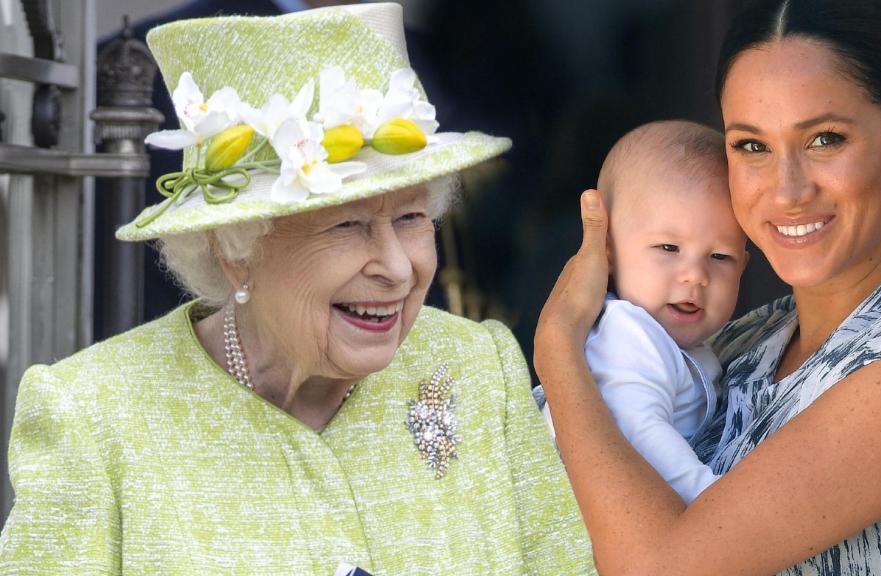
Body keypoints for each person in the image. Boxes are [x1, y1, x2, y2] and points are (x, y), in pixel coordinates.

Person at [0, 5, 594, 575]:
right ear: (235, 251)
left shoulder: (476, 367)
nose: (397, 266)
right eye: (347, 225)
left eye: (412, 218)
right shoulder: (93, 417)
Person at [534, 0, 881, 574]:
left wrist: (558, 345)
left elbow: (660, 567)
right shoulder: (748, 337)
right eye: (751, 146)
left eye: (825, 139)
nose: (787, 191)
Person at [544, 120, 747, 505]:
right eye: (668, 248)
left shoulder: (679, 342)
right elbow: (637, 429)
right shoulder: (629, 333)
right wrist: (710, 502)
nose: (695, 275)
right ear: (607, 251)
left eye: (720, 257)